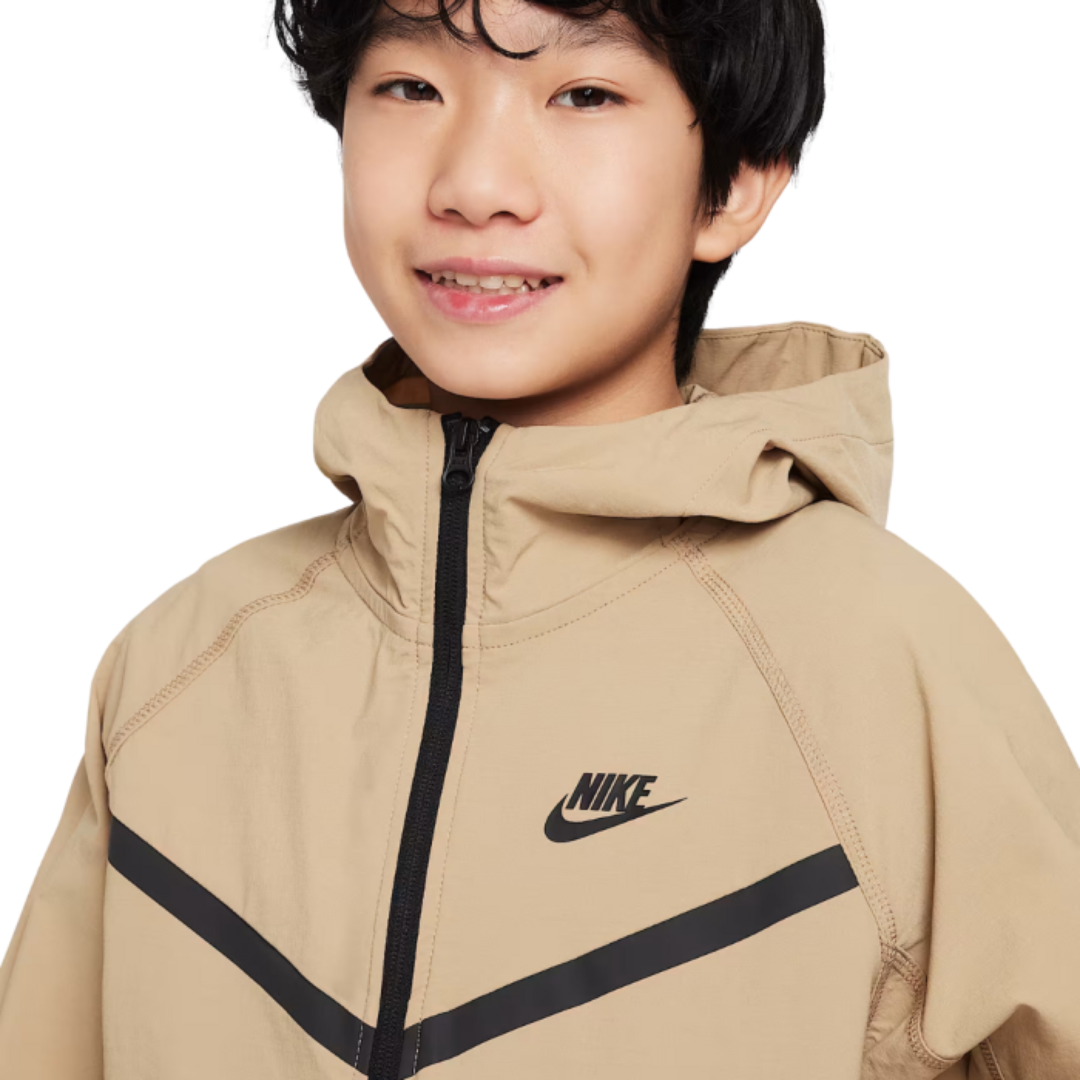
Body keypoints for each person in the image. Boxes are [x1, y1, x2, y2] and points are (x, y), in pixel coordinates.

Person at [1, 0, 1078, 1076]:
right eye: (413, 87)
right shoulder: (180, 667)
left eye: (584, 95)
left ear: (736, 184)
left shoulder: (883, 665)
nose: (475, 185)